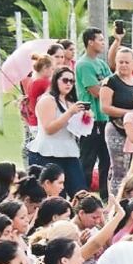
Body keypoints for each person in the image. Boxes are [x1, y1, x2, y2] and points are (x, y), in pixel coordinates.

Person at [32, 66, 89, 197]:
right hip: (49, 152)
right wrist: (70, 113)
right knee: (55, 196)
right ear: (55, 80)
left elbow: (76, 129)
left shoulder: (70, 101)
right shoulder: (47, 100)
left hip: (69, 151)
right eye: (65, 80)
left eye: (72, 81)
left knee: (80, 193)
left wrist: (85, 118)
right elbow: (49, 129)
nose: (69, 84)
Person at [76, 27, 113, 200]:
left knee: (107, 159)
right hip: (91, 118)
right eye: (100, 39)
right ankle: (82, 196)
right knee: (88, 159)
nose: (103, 43)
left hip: (105, 119)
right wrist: (106, 88)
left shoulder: (102, 64)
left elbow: (112, 86)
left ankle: (105, 195)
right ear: (90, 42)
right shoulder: (84, 64)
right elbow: (95, 90)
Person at [100, 46, 133, 194]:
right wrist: (129, 113)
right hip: (116, 129)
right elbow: (105, 107)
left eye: (126, 62)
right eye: (120, 62)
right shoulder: (110, 82)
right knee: (119, 169)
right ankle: (114, 201)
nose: (123, 65)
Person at [22, 53, 54, 167]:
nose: (53, 72)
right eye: (52, 69)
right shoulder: (44, 82)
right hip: (39, 122)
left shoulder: (33, 81)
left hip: (33, 121)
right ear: (45, 68)